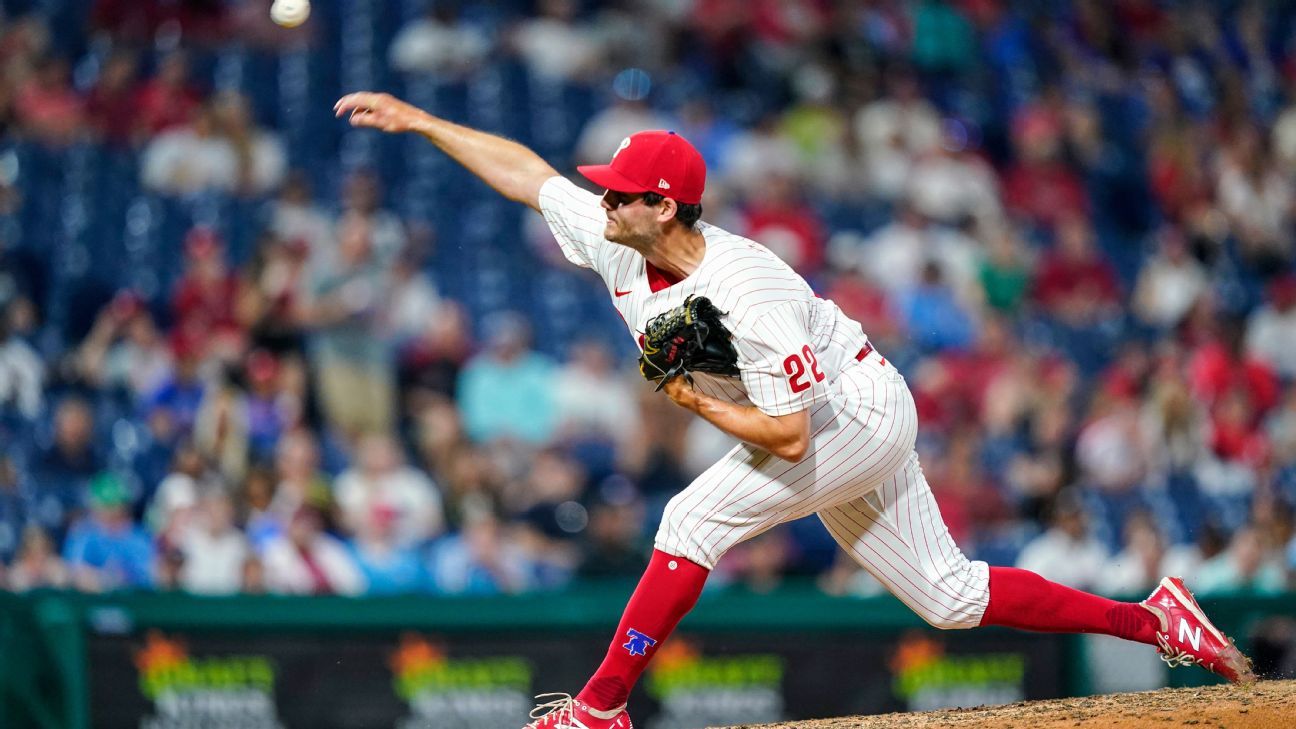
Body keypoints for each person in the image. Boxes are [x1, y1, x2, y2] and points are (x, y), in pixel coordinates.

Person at [334, 91, 1254, 729]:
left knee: (690, 516)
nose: (601, 198)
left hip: (851, 408)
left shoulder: (749, 288)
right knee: (949, 596)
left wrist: (690, 394)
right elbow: (528, 175)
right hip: (830, 413)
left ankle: (600, 704)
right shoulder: (621, 238)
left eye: (618, 190)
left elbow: (788, 434)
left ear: (663, 205)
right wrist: (418, 123)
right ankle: (1156, 618)